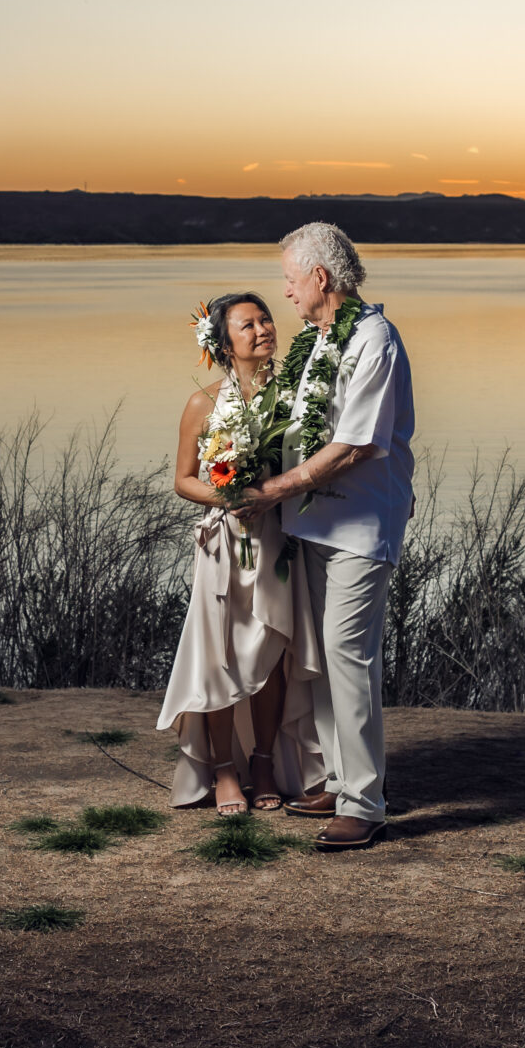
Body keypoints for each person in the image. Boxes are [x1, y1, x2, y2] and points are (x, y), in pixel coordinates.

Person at [248, 223, 415, 852]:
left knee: (350, 657)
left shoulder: (375, 339)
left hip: (360, 526)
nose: (286, 294)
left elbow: (358, 444)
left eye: (290, 280)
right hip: (311, 524)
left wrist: (275, 489)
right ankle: (338, 778)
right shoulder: (316, 342)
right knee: (319, 657)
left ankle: (365, 803)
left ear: (320, 277)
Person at [156, 291, 324, 814]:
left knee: (273, 650)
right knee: (219, 655)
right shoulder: (203, 402)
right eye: (246, 325)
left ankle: (266, 761)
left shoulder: (299, 400)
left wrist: (273, 495)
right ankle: (223, 768)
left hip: (277, 540)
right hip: (224, 546)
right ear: (223, 344)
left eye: (265, 319)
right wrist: (233, 496)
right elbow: (184, 481)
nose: (262, 329)